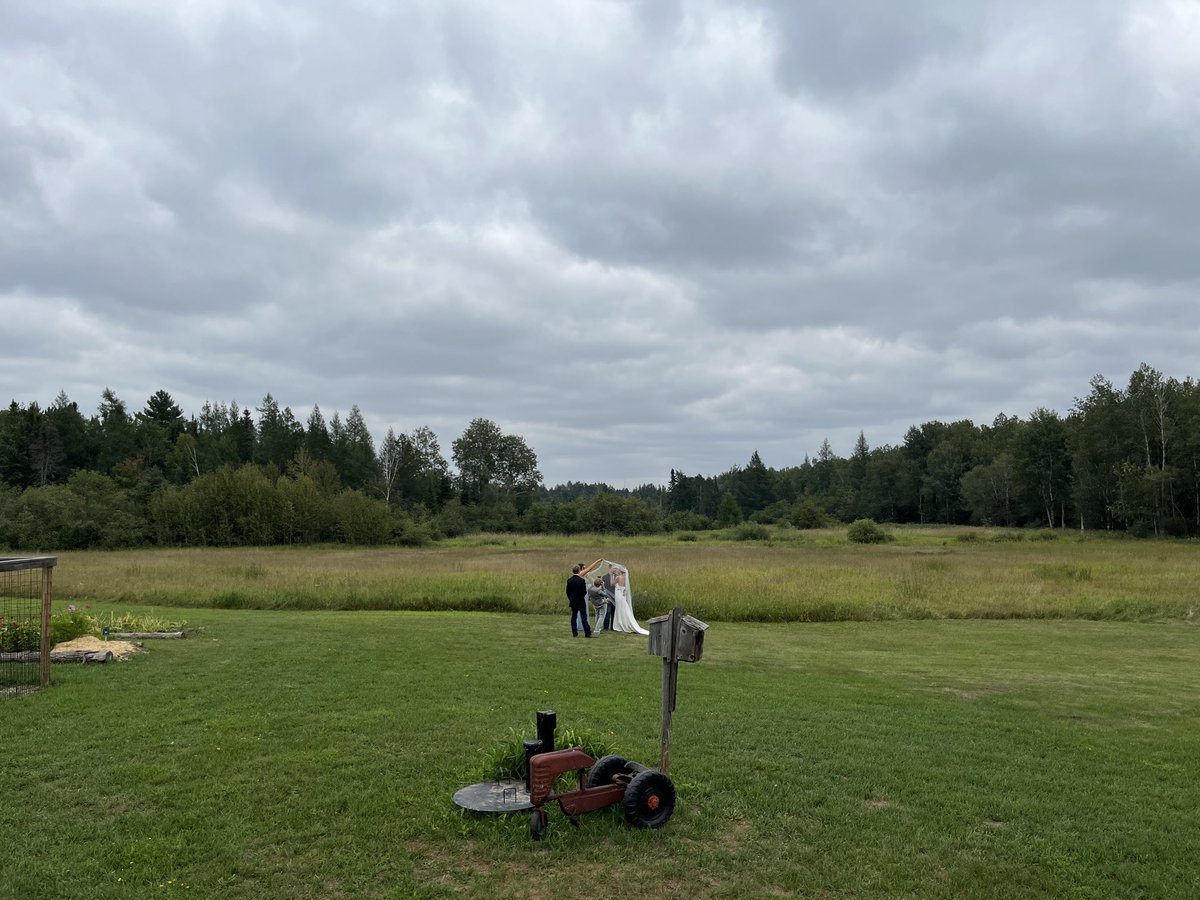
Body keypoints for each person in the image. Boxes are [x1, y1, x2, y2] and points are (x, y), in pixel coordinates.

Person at [609, 564, 648, 635]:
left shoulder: (618, 577)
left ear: (620, 571)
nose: (616, 571)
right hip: (621, 594)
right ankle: (623, 622)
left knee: (620, 608)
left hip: (619, 593)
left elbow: (612, 583)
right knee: (622, 608)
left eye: (617, 570)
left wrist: (611, 575)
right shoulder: (624, 577)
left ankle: (622, 623)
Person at [566, 564, 591, 638]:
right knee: (584, 617)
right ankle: (587, 633)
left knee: (574, 617)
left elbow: (568, 592)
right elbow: (584, 591)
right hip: (581, 601)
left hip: (573, 601)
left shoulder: (569, 580)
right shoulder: (581, 580)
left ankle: (574, 632)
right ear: (579, 570)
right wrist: (581, 597)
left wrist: (571, 599)